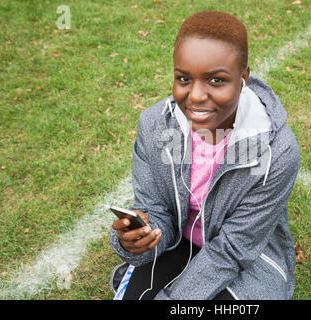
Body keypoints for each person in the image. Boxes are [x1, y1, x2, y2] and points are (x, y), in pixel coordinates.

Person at [110, 10, 300, 300]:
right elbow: (155, 208)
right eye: (183, 78)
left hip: (244, 258)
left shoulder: (277, 151)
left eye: (215, 81)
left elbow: (233, 250)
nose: (196, 96)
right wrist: (142, 238)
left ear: (243, 78)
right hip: (179, 243)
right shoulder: (154, 125)